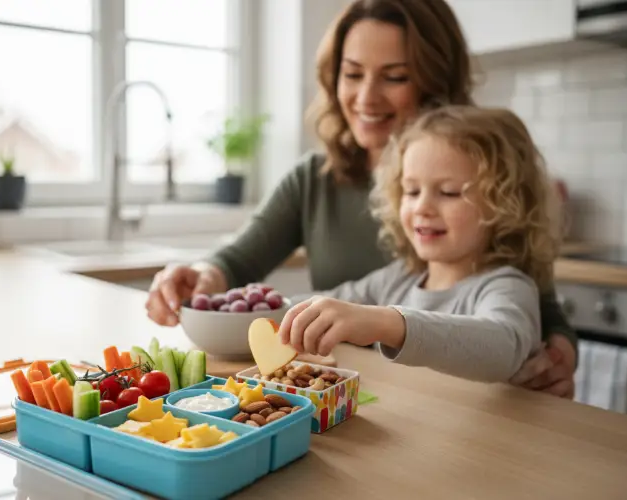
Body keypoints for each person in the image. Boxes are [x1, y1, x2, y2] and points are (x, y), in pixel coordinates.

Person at [145, 0, 576, 397]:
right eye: (352, 74)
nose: (367, 97)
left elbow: (523, 315)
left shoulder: (489, 183)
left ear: (435, 81)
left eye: (395, 76)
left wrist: (560, 351)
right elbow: (243, 264)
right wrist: (204, 279)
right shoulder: (384, 260)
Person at [279, 105, 558, 382]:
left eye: (448, 192)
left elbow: (503, 349)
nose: (422, 207)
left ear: (505, 204)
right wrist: (270, 308)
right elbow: (324, 307)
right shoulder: (398, 278)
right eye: (411, 191)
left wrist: (387, 324)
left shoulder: (508, 286)